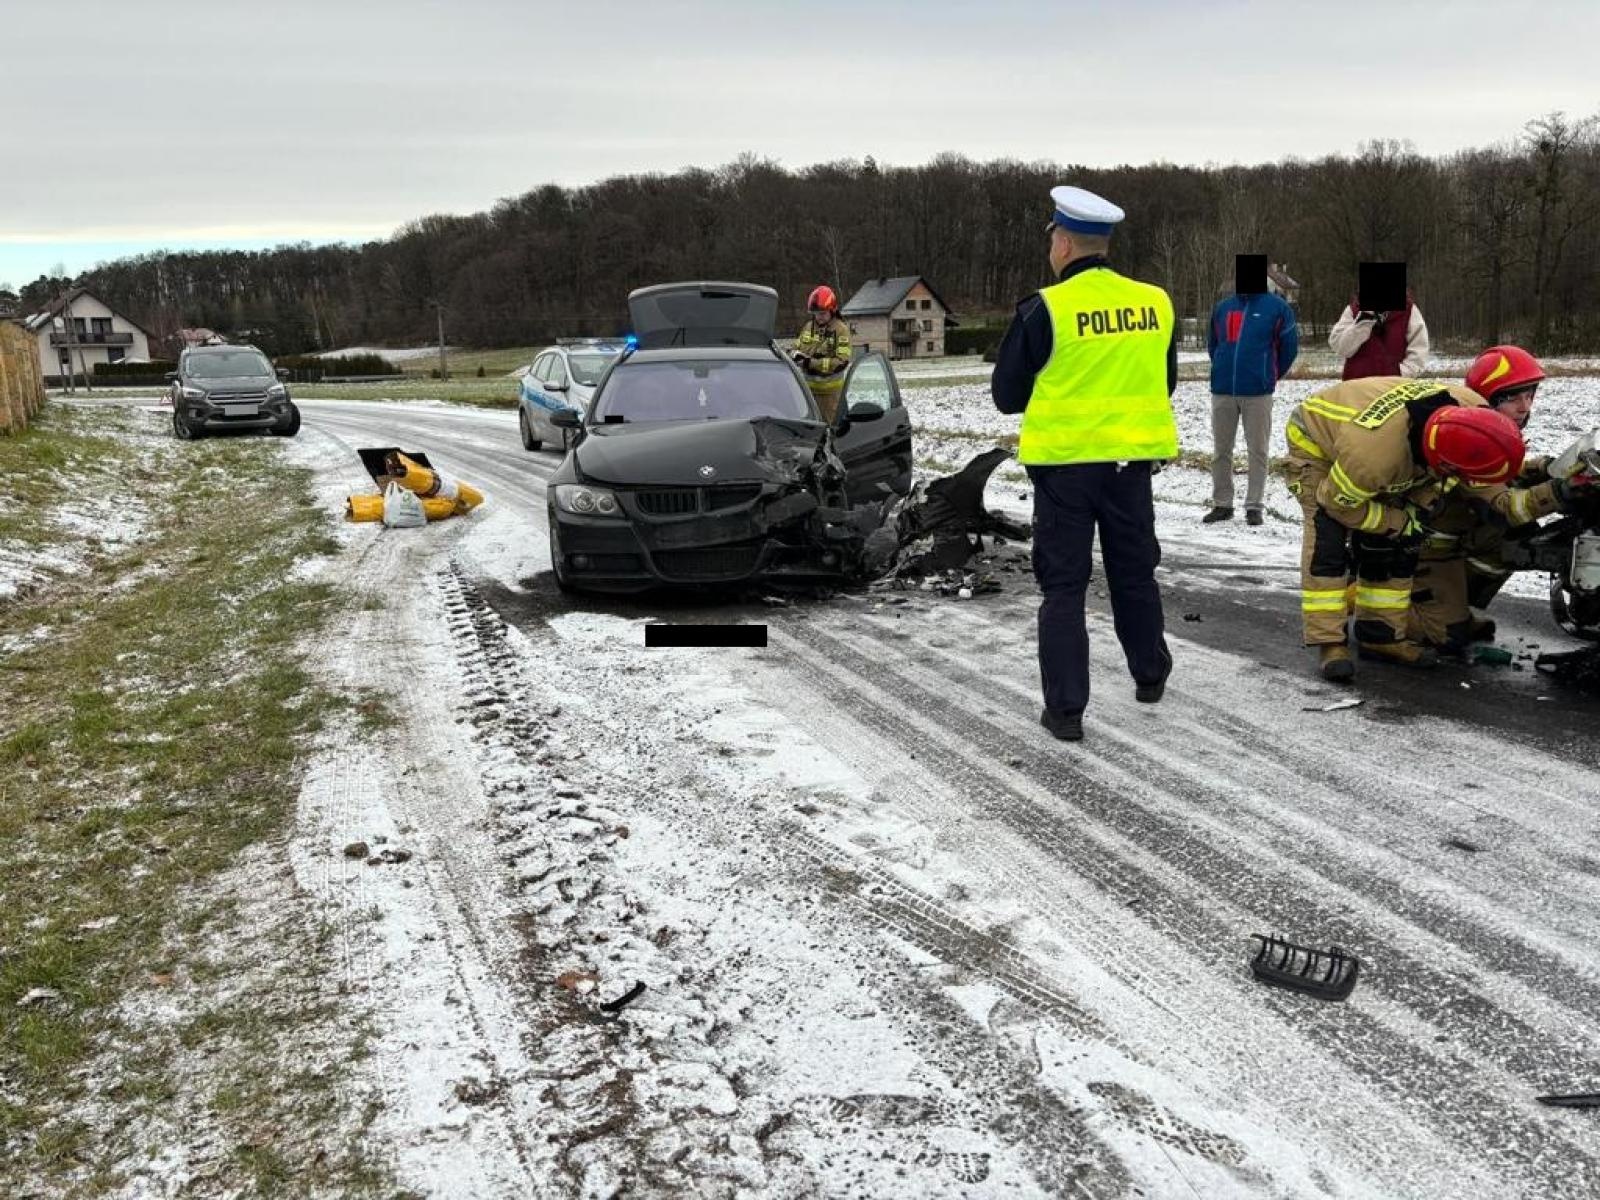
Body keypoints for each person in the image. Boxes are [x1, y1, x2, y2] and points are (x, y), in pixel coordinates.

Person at [991, 184, 1178, 742]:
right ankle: (1150, 676)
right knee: (1134, 573)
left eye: (1053, 238)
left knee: (1065, 588)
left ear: (1065, 243)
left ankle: (1066, 711)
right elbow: (1163, 381)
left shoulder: (1043, 308)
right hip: (1129, 466)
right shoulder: (1156, 302)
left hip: (1065, 471)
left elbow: (1006, 394)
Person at [1284, 378, 1525, 681]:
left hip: (1388, 445)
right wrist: (1395, 521)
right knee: (1328, 540)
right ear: (1444, 461)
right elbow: (1336, 504)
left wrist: (1410, 517)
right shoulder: (1373, 460)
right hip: (1317, 443)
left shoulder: (1473, 412)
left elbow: (1459, 477)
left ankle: (1380, 636)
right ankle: (1329, 642)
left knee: (1400, 539)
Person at [1408, 346, 1590, 651]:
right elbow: (1508, 507)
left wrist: (1547, 467)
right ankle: (1384, 608)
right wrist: (1561, 490)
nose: (1524, 406)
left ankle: (1458, 606)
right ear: (1488, 402)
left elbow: (1507, 468)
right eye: (1513, 398)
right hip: (1426, 550)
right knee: (1448, 637)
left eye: (1529, 395)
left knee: (1515, 538)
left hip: (1458, 536)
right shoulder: (1471, 439)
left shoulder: (1491, 429)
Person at [1203, 263, 1299, 525]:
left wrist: (1269, 374)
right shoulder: (1223, 308)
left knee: (1258, 450)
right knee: (1221, 450)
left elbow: (1289, 349)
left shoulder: (1278, 308)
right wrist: (1223, 366)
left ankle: (1254, 505)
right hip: (1223, 390)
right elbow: (1213, 344)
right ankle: (1222, 503)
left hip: (1258, 392)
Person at [1329, 291, 1429, 379]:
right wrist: (1363, 321)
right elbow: (1341, 348)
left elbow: (1419, 351)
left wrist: (1401, 374)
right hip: (1356, 389)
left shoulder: (1409, 311)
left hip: (1394, 391)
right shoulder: (1353, 310)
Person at [791, 285, 852, 421]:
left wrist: (811, 363)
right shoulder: (808, 327)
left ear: (833, 310)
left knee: (829, 431)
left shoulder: (841, 330)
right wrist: (794, 354)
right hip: (807, 393)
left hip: (830, 396)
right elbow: (795, 346)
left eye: (823, 313)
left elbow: (841, 363)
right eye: (816, 313)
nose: (819, 317)